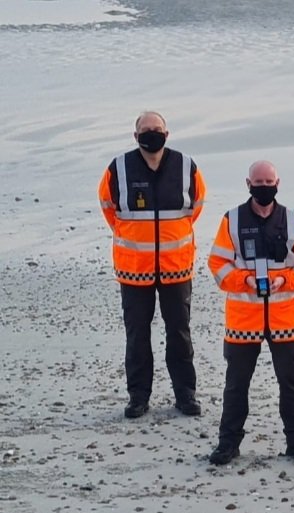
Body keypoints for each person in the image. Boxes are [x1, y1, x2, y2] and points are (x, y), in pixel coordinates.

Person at [206, 161, 294, 466]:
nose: (263, 186)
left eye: (268, 180)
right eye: (258, 181)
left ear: (278, 183)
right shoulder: (231, 220)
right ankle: (227, 444)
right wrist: (243, 279)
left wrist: (287, 279)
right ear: (248, 183)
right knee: (235, 386)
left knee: (292, 385)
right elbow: (218, 264)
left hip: (287, 318)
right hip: (243, 320)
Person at [97, 111, 205, 419]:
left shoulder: (186, 166)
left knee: (179, 334)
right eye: (145, 130)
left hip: (176, 267)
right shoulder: (118, 168)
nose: (151, 134)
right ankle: (138, 398)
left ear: (167, 134)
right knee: (137, 335)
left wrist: (173, 236)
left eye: (156, 129)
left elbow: (195, 207)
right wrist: (134, 236)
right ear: (135, 136)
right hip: (134, 269)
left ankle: (185, 395)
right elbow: (109, 208)